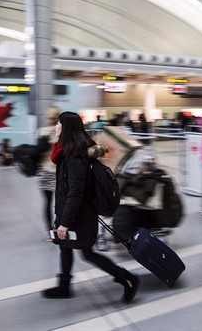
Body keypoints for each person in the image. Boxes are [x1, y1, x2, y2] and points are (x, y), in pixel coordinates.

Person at [42, 111, 139, 302]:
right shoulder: (66, 151)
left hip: (80, 214)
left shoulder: (74, 155)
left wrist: (65, 223)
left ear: (67, 127)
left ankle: (127, 278)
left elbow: (76, 192)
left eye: (59, 123)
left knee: (87, 253)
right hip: (71, 211)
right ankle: (64, 286)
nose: (55, 127)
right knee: (65, 246)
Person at [37, 106, 61, 239]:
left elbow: (38, 152)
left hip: (44, 170)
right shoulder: (63, 132)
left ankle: (49, 232)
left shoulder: (42, 132)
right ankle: (60, 229)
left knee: (46, 202)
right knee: (60, 203)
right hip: (59, 172)